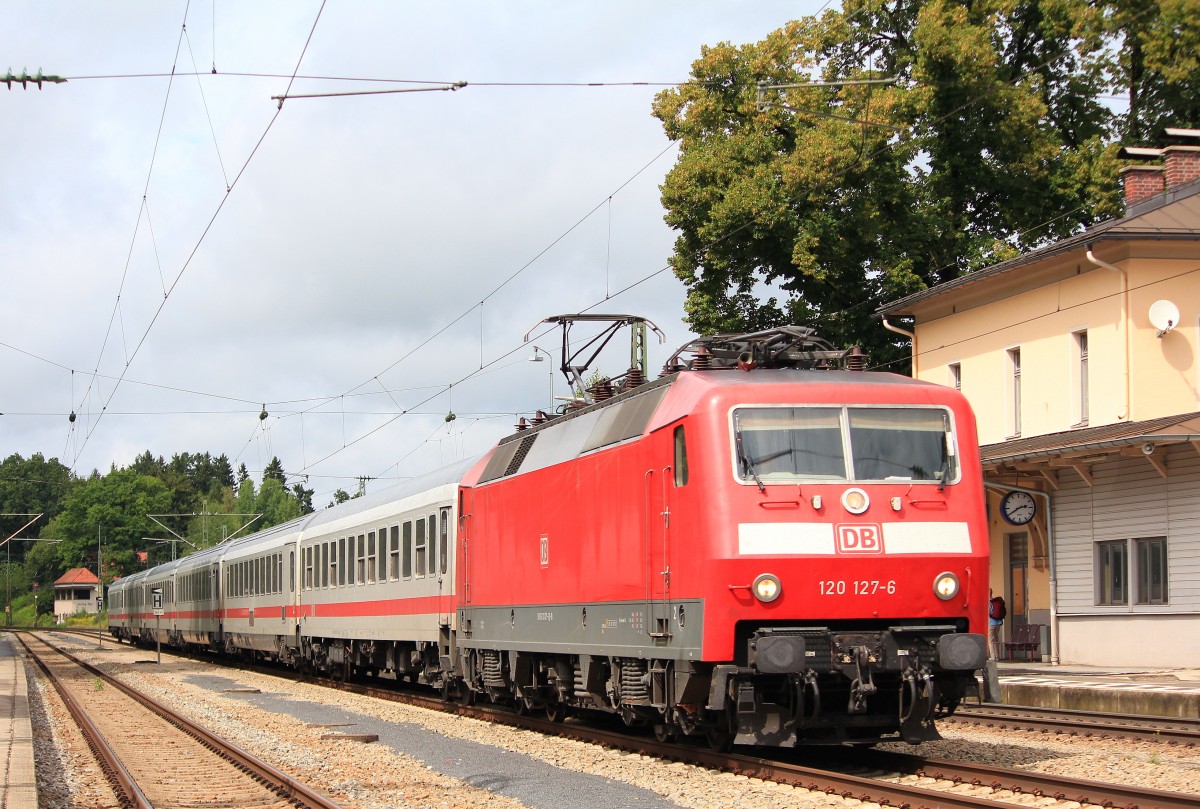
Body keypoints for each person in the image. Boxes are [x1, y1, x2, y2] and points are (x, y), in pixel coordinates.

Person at [988, 589, 1006, 659]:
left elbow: (988, 613)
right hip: (998, 623)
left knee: (990, 640)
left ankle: (993, 657)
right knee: (996, 639)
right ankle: (997, 656)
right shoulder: (995, 601)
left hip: (991, 623)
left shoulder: (988, 602)